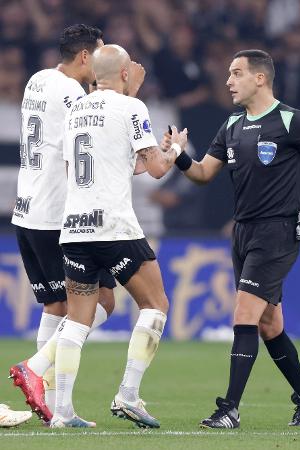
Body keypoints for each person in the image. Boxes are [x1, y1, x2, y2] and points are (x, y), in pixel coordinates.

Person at [164, 49, 300, 429]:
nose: (228, 81)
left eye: (236, 74)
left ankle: (229, 409)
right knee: (269, 325)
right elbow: (203, 174)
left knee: (244, 315)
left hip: (278, 231)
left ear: (260, 78)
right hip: (244, 231)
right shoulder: (232, 124)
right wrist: (179, 155)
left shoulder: (292, 121)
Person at [50, 44, 185, 428]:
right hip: (114, 226)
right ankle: (127, 395)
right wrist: (174, 148)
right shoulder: (132, 108)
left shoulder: (75, 110)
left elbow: (80, 168)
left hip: (74, 227)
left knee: (77, 322)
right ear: (126, 74)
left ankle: (62, 413)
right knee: (155, 304)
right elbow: (158, 170)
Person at [9, 24, 120, 424]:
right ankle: (36, 369)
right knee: (101, 300)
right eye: (103, 53)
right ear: (86, 56)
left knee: (57, 307)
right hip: (57, 216)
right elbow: (84, 149)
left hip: (26, 209)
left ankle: (56, 410)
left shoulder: (39, 80)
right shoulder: (73, 93)